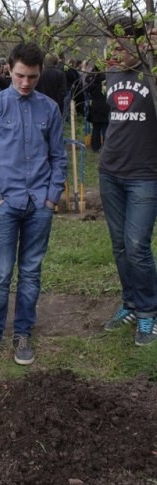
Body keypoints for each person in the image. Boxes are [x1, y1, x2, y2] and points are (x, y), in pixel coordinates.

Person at [0, 43, 67, 368]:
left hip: (39, 202)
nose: (26, 83)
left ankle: (23, 332)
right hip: (4, 204)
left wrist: (52, 197)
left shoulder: (50, 109)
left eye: (33, 77)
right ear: (9, 69)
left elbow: (58, 156)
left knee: (30, 272)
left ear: (40, 73)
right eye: (20, 75)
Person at [100, 17, 157, 345]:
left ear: (139, 42)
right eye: (111, 44)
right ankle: (131, 303)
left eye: (122, 44)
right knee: (120, 245)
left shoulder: (152, 71)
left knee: (137, 245)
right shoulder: (107, 70)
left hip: (145, 175)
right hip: (111, 171)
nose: (115, 50)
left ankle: (149, 312)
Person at [85, 67, 109, 152]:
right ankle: (106, 147)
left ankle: (95, 147)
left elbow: (87, 89)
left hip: (95, 107)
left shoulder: (93, 81)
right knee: (105, 128)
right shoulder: (106, 81)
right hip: (105, 106)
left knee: (96, 128)